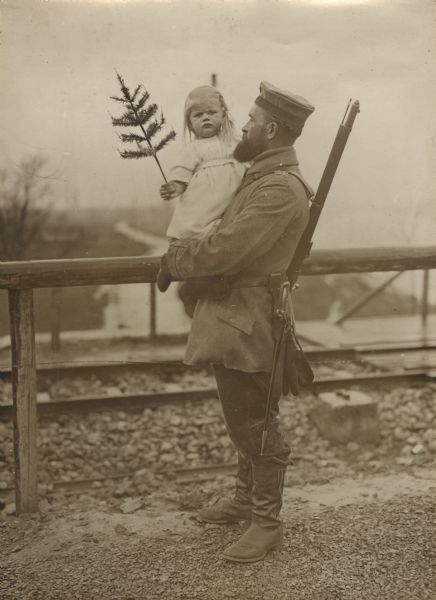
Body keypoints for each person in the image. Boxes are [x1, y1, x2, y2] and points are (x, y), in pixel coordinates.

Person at [159, 81, 315, 563]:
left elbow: (226, 248)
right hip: (234, 318)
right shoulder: (257, 174)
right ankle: (246, 500)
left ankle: (267, 523)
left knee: (253, 421)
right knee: (241, 413)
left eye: (249, 120)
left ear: (270, 129)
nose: (241, 126)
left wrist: (177, 260)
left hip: (251, 322)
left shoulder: (279, 188)